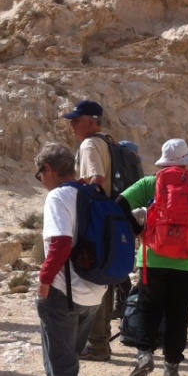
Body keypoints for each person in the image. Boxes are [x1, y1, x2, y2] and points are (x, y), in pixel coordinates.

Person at [20, 143, 103, 376]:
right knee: (65, 361)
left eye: (40, 173)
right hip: (95, 291)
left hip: (63, 292)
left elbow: (60, 244)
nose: (41, 179)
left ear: (50, 170)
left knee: (61, 366)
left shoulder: (58, 196)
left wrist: (43, 280)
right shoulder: (92, 192)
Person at [117, 138, 188, 376]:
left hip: (154, 258)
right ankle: (171, 369)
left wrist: (140, 230)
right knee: (179, 314)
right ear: (187, 163)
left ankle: (144, 355)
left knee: (148, 308)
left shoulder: (150, 183)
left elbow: (119, 204)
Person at [62, 99, 116, 362]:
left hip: (97, 222)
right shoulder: (111, 142)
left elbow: (97, 180)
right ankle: (100, 341)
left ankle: (97, 344)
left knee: (92, 277)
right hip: (114, 222)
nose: (72, 124)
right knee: (105, 279)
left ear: (91, 121)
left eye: (76, 119)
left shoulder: (90, 144)